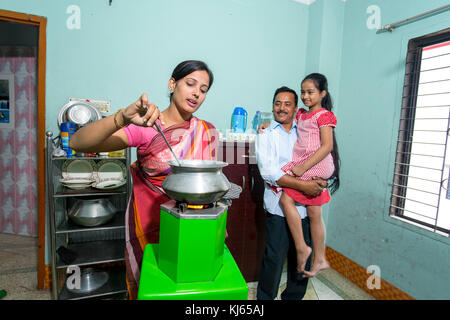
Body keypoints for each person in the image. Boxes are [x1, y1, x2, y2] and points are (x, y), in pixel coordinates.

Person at [69, 60, 218, 299]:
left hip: (192, 226)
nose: (196, 93)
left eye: (203, 89)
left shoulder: (205, 130)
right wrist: (122, 118)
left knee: (188, 289)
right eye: (190, 84)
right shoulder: (147, 126)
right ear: (173, 84)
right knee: (153, 287)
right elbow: (77, 142)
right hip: (149, 224)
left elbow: (208, 182)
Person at [255, 86, 327, 300]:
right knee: (273, 261)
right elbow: (268, 172)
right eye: (278, 103)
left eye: (287, 104)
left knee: (301, 261)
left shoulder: (307, 133)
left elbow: (322, 157)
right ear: (273, 107)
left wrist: (321, 179)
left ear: (296, 109)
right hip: (278, 208)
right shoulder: (265, 134)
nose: (282, 108)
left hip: (305, 210)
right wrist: (304, 186)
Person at [280, 73, 340, 278]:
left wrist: (303, 168)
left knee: (286, 198)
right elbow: (285, 119)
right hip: (308, 164)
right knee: (314, 214)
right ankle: (320, 257)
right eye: (303, 92)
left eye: (310, 92)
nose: (305, 96)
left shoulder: (324, 115)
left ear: (322, 93)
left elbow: (327, 146)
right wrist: (265, 126)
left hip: (316, 164)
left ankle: (302, 247)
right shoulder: (302, 115)